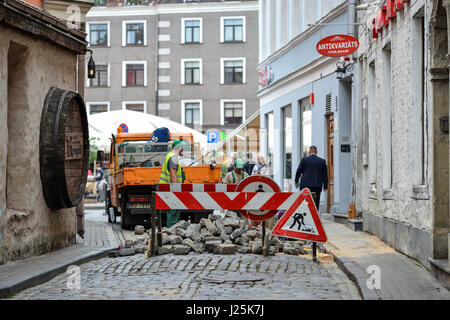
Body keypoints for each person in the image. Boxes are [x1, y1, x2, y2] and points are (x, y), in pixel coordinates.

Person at [159, 139, 186, 227]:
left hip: (168, 188)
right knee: (173, 213)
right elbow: (173, 174)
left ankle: (171, 232)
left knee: (172, 212)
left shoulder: (170, 156)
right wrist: (176, 189)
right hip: (171, 190)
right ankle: (171, 233)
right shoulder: (173, 157)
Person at [294, 145, 328, 211]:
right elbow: (325, 174)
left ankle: (305, 215)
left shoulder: (304, 160)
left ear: (309, 152)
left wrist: (296, 181)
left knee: (304, 201)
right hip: (317, 185)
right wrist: (325, 185)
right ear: (316, 152)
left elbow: (298, 171)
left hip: (305, 185)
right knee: (316, 202)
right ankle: (315, 216)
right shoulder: (322, 161)